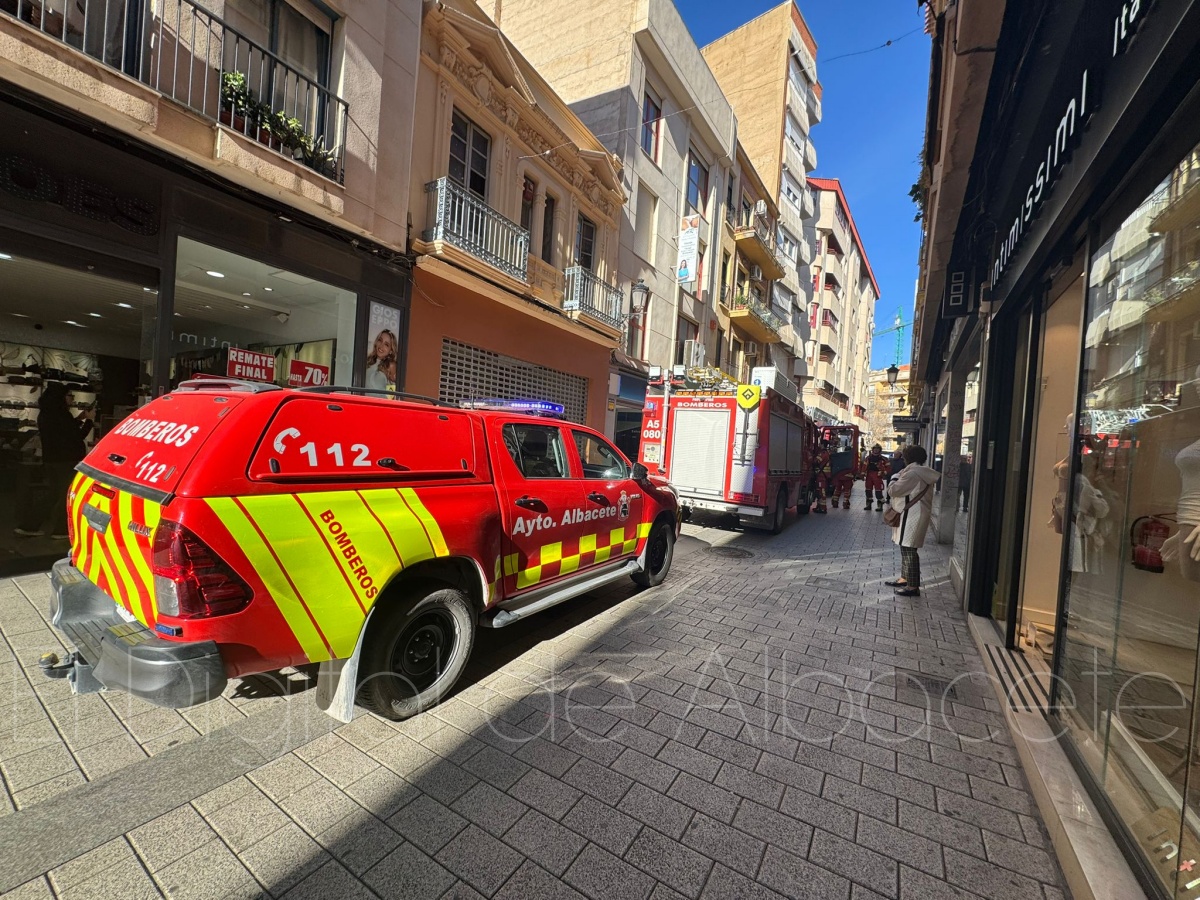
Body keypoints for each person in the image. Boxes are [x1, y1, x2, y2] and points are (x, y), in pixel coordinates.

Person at [15, 384, 94, 539]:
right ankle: (60, 530)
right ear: (60, 397)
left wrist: (79, 419)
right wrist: (89, 421)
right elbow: (75, 437)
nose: (72, 399)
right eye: (69, 395)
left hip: (52, 459)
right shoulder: (62, 415)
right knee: (65, 495)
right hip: (66, 460)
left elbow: (64, 432)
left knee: (53, 494)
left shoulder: (46, 414)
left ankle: (29, 525)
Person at [884, 444, 940, 597]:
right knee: (906, 547)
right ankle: (905, 578)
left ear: (907, 458)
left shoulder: (913, 474)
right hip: (914, 513)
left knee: (909, 550)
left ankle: (912, 586)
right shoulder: (920, 472)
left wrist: (894, 477)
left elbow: (893, 490)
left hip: (912, 514)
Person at [861, 444, 890, 511]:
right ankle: (868, 505)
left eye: (877, 449)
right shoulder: (868, 458)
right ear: (872, 449)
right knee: (868, 490)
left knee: (878, 491)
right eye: (875, 448)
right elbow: (864, 466)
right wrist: (862, 474)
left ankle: (880, 506)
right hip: (869, 475)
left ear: (880, 450)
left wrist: (883, 473)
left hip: (877, 475)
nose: (876, 450)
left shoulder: (883, 459)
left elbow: (888, 468)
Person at [811, 441, 832, 513]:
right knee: (819, 491)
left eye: (820, 444)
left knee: (821, 492)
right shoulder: (826, 452)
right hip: (821, 476)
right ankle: (819, 507)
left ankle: (823, 508)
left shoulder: (823, 453)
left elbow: (816, 461)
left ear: (823, 445)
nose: (819, 445)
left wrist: (813, 458)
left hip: (822, 476)